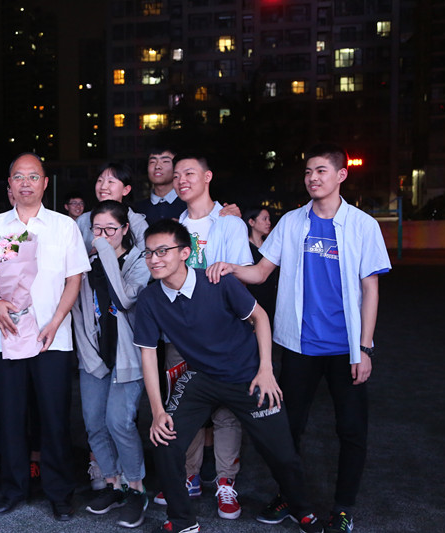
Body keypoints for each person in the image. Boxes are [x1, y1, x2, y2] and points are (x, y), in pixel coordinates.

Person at [207, 143, 391, 533]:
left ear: (341, 175)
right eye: (308, 171)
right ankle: (289, 496)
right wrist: (230, 268)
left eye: (321, 171)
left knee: (351, 430)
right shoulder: (292, 222)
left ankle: (343, 508)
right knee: (287, 427)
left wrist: (364, 347)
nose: (313, 178)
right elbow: (261, 272)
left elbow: (370, 289)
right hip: (299, 346)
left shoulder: (362, 225)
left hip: (346, 348)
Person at [134, 219, 323, 533]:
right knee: (164, 440)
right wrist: (157, 411)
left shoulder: (216, 282)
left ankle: (302, 510)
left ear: (185, 253)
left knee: (282, 453)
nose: (154, 259)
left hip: (247, 375)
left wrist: (266, 370)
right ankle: (182, 521)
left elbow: (260, 318)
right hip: (201, 377)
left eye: (163, 251)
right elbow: (148, 355)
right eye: (149, 252)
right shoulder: (150, 299)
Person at [0, 153, 90, 521]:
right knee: (10, 416)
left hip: (51, 337)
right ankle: (13, 488)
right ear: (9, 185)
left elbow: (74, 279)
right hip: (6, 335)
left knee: (54, 418)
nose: (26, 183)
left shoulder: (63, 226)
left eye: (33, 176)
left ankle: (59, 492)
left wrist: (57, 321)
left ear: (45, 183)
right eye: (19, 177)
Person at [152, 155, 252, 520]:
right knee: (182, 407)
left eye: (189, 173)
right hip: (179, 336)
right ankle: (189, 475)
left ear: (208, 176)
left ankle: (226, 481)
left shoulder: (229, 223)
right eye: (177, 175)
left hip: (223, 335)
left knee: (226, 412)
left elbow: (240, 275)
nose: (181, 180)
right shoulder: (173, 226)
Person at [71, 201, 150, 528]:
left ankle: (136, 489)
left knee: (119, 422)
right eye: (97, 229)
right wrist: (87, 353)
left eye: (110, 229)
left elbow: (125, 299)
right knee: (94, 423)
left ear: (125, 229)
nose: (102, 236)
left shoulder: (140, 261)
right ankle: (113, 483)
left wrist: (103, 252)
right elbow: (79, 311)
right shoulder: (85, 265)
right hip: (94, 354)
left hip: (127, 356)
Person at [76, 162, 148, 255]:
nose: (103, 187)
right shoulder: (82, 221)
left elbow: (146, 258)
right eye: (100, 180)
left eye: (110, 182)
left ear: (126, 190)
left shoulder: (137, 223)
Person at [242, 207, 278, 326]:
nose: (269, 223)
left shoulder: (271, 247)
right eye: (264, 219)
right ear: (251, 222)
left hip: (270, 301)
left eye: (269, 219)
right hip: (251, 302)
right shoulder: (243, 247)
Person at [133, 148, 187, 224]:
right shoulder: (137, 210)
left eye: (165, 161)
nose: (157, 166)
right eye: (152, 162)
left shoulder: (188, 206)